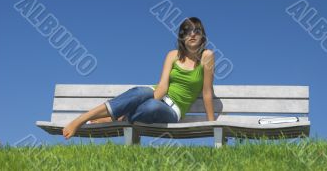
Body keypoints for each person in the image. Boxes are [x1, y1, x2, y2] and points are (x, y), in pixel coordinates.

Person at [62, 17, 215, 140]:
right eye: (187, 32)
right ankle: (82, 119)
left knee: (152, 107)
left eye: (197, 31)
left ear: (202, 36)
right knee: (141, 92)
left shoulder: (207, 57)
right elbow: (162, 87)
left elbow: (207, 91)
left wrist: (212, 124)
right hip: (156, 94)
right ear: (182, 37)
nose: (192, 34)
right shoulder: (172, 55)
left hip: (172, 110)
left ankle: (114, 119)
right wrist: (153, 98)